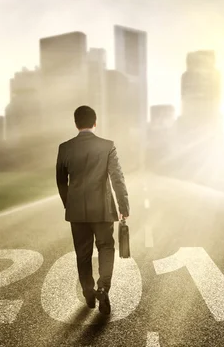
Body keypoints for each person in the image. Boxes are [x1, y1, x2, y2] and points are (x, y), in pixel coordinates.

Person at [56, 105, 130, 315]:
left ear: (76, 124)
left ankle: (88, 291)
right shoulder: (107, 146)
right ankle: (103, 288)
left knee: (83, 253)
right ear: (95, 123)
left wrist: (68, 203)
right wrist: (123, 206)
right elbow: (117, 178)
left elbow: (61, 182)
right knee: (106, 248)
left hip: (77, 210)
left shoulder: (65, 148)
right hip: (103, 209)